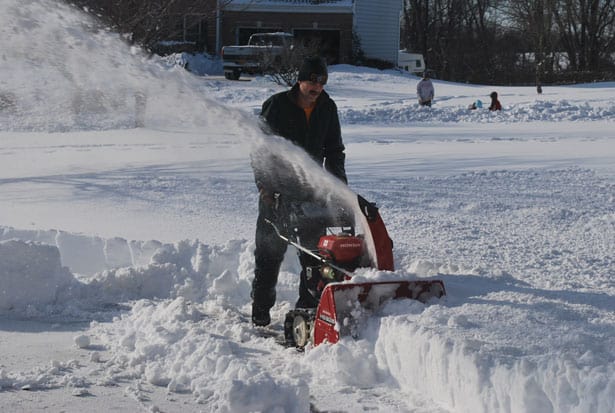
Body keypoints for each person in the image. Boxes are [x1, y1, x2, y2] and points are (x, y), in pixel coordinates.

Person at [250, 56, 347, 326]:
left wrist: (339, 189)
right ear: (300, 80)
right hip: (277, 194)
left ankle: (306, 312)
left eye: (322, 82)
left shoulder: (327, 107)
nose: (317, 87)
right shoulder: (277, 106)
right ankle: (260, 312)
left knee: (315, 259)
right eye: (312, 81)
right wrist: (265, 187)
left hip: (310, 195)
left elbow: (334, 151)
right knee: (269, 255)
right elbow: (260, 149)